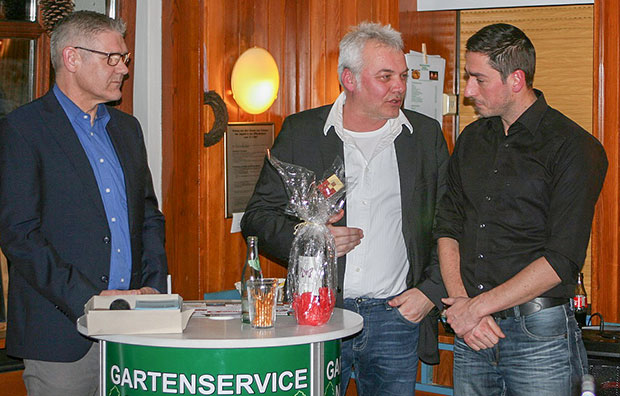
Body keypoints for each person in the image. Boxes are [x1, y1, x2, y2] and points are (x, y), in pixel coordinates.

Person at [242, 22, 448, 395]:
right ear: (348, 79)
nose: (399, 87)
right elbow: (257, 218)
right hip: (319, 315)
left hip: (396, 318)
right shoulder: (302, 131)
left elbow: (449, 222)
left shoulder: (425, 135)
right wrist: (310, 240)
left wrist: (429, 292)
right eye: (385, 77)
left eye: (402, 76)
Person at [434, 23, 607, 395]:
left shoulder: (574, 148)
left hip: (538, 335)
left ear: (516, 79)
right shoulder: (472, 139)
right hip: (472, 332)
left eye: (479, 79)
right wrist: (464, 308)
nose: (468, 91)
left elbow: (561, 259)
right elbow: (447, 226)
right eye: (468, 78)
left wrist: (474, 308)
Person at [0, 11, 168, 396]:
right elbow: (20, 236)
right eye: (112, 58)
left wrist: (154, 292)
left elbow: (148, 218)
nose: (123, 69)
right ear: (72, 59)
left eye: (124, 58)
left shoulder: (127, 129)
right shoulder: (23, 130)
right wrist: (90, 301)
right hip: (63, 337)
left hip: (133, 333)